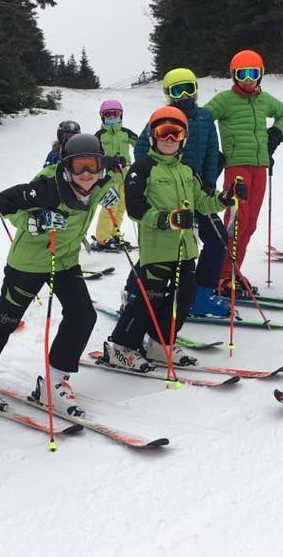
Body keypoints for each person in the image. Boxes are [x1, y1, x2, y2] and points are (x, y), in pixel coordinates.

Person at [0, 134, 120, 413]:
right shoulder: (47, 187)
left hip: (65, 260)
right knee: (6, 319)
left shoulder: (101, 181)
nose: (86, 174)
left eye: (93, 166)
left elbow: (117, 176)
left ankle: (55, 382)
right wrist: (36, 221)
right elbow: (2, 204)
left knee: (83, 315)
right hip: (29, 262)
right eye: (79, 166)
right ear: (67, 167)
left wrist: (113, 193)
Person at [103, 106, 246, 371]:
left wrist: (225, 198)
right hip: (158, 249)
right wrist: (166, 219)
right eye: (163, 132)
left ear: (183, 138)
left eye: (175, 133)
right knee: (150, 299)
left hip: (186, 248)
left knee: (185, 296)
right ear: (153, 137)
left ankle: (160, 343)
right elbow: (135, 207)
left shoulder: (186, 171)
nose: (169, 139)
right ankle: (121, 346)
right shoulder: (142, 168)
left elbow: (202, 202)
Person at [129, 68, 231, 318]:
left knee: (218, 238)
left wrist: (208, 182)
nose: (184, 95)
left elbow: (211, 151)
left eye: (189, 88)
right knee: (161, 247)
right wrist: (157, 176)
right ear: (168, 94)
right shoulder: (163, 118)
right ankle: (134, 291)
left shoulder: (206, 117)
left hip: (195, 191)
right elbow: (142, 149)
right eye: (177, 90)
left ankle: (203, 293)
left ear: (196, 89)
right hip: (167, 195)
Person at [203, 50, 283, 293]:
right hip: (236, 167)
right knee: (236, 222)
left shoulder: (264, 100)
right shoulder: (224, 100)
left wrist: (275, 133)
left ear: (260, 75)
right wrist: (214, 152)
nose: (248, 79)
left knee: (250, 224)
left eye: (254, 73)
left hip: (260, 166)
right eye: (242, 74)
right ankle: (220, 275)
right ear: (234, 76)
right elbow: (202, 120)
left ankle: (232, 271)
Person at [90, 99, 138, 252]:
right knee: (110, 206)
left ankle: (114, 233)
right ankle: (102, 239)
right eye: (108, 115)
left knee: (122, 207)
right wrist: (108, 160)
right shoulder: (99, 136)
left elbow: (141, 144)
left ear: (121, 115)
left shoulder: (126, 133)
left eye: (115, 114)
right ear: (102, 117)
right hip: (109, 177)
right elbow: (92, 155)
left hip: (125, 177)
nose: (112, 118)